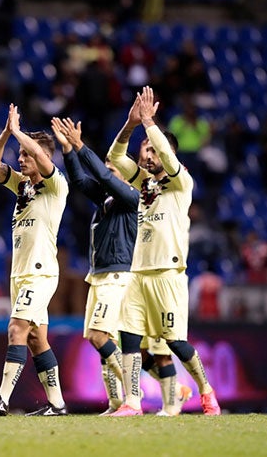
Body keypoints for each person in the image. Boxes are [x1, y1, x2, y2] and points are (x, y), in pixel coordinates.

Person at [52, 117, 192, 417]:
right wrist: (68, 151)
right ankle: (126, 400)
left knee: (101, 337)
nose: (109, 171)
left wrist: (81, 147)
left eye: (113, 170)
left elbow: (102, 175)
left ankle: (135, 395)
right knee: (107, 340)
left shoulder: (132, 197)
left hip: (121, 276)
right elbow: (79, 180)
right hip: (101, 275)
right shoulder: (107, 200)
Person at [106, 86, 221, 416]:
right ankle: (132, 402)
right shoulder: (143, 181)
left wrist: (149, 124)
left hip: (169, 275)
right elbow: (114, 158)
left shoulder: (182, 180)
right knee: (128, 336)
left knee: (175, 343)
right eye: (144, 151)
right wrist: (131, 125)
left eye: (152, 150)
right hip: (138, 273)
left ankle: (205, 389)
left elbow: (168, 160)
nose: (147, 155)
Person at [0, 104, 69, 416]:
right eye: (19, 154)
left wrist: (19, 132)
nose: (20, 159)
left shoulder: (56, 184)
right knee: (35, 338)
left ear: (43, 157)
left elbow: (43, 158)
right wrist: (7, 133)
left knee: (16, 328)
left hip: (39, 272)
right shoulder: (22, 186)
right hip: (21, 273)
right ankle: (57, 404)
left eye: (26, 154)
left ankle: (1, 399)